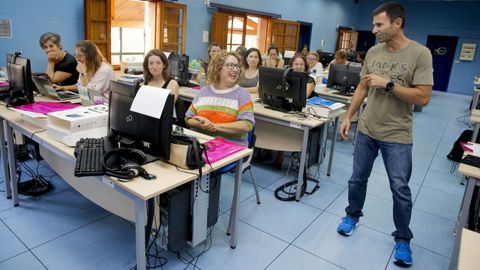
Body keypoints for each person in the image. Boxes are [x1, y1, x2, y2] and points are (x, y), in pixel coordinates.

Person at [335, 2, 433, 267]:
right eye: (374, 24)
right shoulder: (374, 52)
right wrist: (348, 116)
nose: (374, 29)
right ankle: (352, 216)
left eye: (379, 24)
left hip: (398, 135)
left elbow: (423, 97)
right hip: (367, 129)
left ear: (397, 23)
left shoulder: (420, 54)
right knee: (357, 180)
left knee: (400, 189)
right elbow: (362, 89)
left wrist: (388, 84)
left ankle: (403, 239)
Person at [185, 51, 254, 147]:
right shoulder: (204, 91)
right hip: (201, 144)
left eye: (237, 66)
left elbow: (247, 125)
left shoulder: (242, 94)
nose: (235, 70)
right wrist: (200, 124)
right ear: (218, 68)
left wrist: (213, 126)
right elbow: (188, 119)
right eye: (230, 65)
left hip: (230, 147)